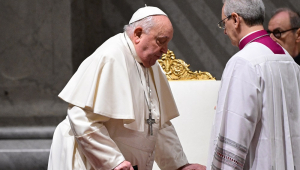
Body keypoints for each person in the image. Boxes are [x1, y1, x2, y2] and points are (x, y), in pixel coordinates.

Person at [47, 5, 205, 170]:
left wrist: (179, 166)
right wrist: (113, 162)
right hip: (92, 162)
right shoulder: (111, 57)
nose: (165, 50)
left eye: (167, 43)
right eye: (161, 41)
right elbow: (81, 118)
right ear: (137, 34)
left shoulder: (151, 65)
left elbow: (159, 124)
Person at [207, 0, 300, 169]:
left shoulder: (243, 62)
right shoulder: (287, 59)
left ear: (235, 19)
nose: (225, 32)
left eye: (224, 23)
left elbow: (234, 132)